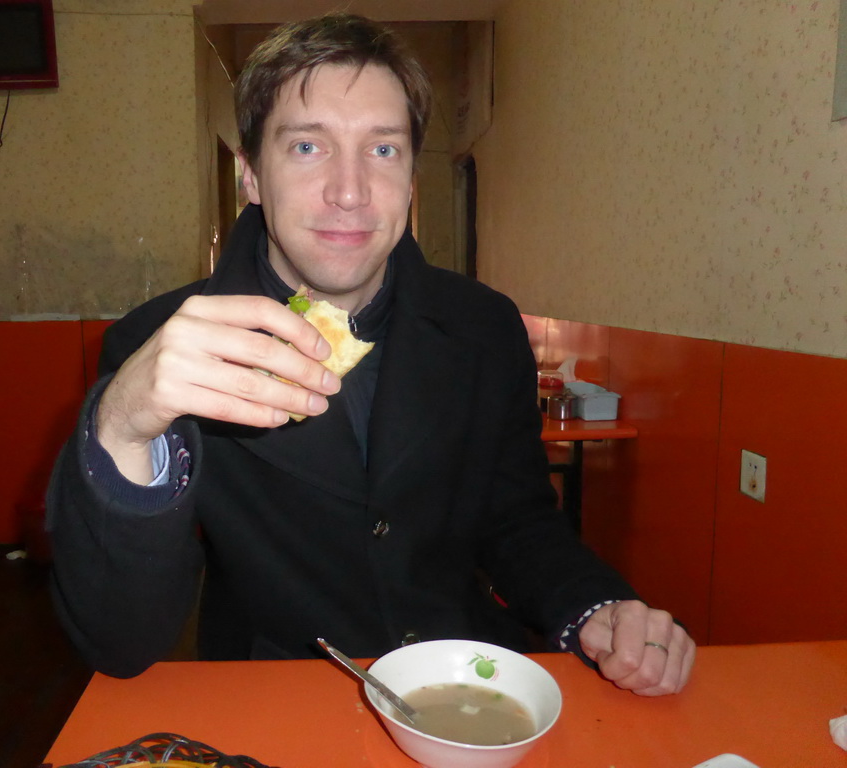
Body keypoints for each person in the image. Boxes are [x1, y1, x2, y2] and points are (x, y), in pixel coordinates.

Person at [46, 12, 695, 696]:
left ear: (413, 175)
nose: (350, 191)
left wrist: (594, 606)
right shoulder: (159, 346)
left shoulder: (484, 326)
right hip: (283, 699)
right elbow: (118, 642)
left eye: (382, 150)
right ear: (251, 176)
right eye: (306, 147)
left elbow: (517, 520)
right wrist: (119, 426)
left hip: (471, 689)